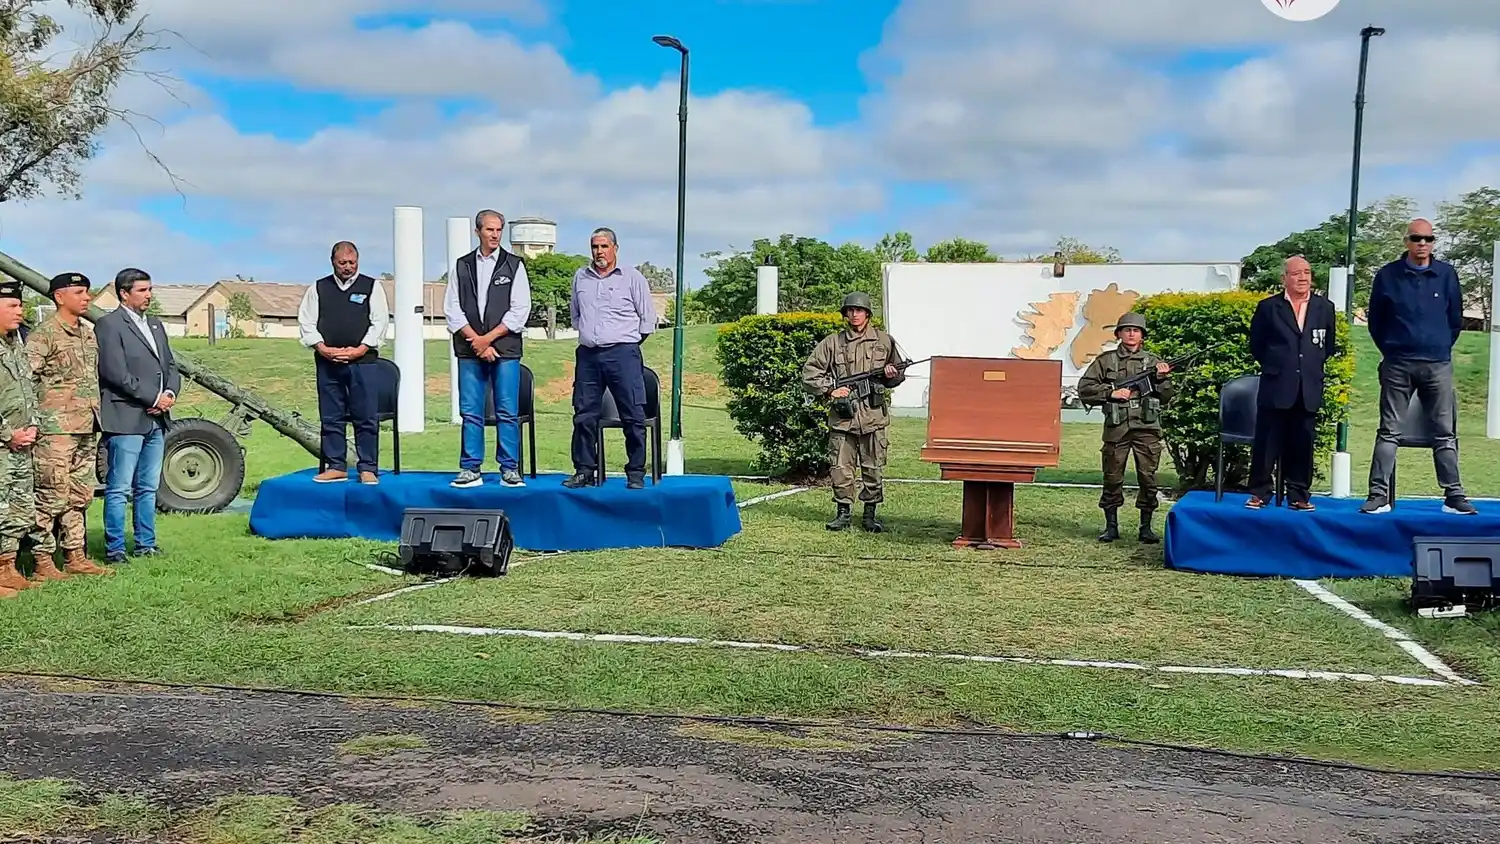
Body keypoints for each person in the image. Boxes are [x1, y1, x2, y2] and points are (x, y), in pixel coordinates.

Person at [1362, 218, 1475, 515]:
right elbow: (1376, 321)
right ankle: (1378, 495)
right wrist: (1393, 349)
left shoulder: (1447, 275)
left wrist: (1437, 347)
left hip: (1437, 363)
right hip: (1398, 363)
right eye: (1416, 238)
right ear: (1406, 241)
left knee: (1444, 432)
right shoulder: (1387, 276)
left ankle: (1454, 495)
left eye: (1428, 239)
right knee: (1389, 431)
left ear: (1433, 242)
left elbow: (1455, 320)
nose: (1422, 244)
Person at [25, 272, 111, 576]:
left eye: (87, 292)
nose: (86, 298)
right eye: (79, 292)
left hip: (87, 425)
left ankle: (75, 556)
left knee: (80, 494)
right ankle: (42, 561)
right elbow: (26, 381)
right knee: (50, 494)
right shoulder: (43, 335)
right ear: (60, 296)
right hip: (54, 430)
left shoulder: (88, 334)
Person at [96, 268, 182, 563]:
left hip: (156, 419)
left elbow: (170, 366)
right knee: (119, 487)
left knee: (148, 486)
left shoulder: (156, 324)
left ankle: (147, 543)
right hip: (125, 417)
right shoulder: (109, 325)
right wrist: (151, 397)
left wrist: (168, 395)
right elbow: (114, 372)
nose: (149, 295)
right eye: (142, 290)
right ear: (124, 293)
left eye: (150, 289)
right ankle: (115, 548)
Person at [800, 291, 906, 532]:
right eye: (850, 311)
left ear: (867, 314)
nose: (854, 314)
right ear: (845, 314)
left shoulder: (884, 341)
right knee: (840, 467)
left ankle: (870, 515)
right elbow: (810, 373)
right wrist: (829, 390)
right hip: (843, 417)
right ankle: (843, 513)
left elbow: (897, 374)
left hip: (873, 416)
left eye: (859, 310)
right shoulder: (832, 342)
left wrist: (893, 375)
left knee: (873, 467)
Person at [563, 227, 657, 490]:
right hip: (588, 356)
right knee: (583, 414)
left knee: (633, 415)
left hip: (623, 353)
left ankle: (636, 472)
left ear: (615, 248)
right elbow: (576, 315)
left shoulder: (632, 277)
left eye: (604, 246)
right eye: (594, 247)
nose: (599, 252)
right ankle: (584, 470)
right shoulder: (580, 277)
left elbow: (647, 320)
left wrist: (626, 344)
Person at [444, 210, 531, 489]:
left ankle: (509, 468)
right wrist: (476, 341)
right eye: (489, 230)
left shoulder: (514, 264)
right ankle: (470, 468)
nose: (494, 235)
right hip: (470, 351)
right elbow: (452, 310)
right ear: (477, 231)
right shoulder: (462, 266)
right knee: (471, 411)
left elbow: (520, 311)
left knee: (507, 410)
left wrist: (489, 339)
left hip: (505, 350)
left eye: (498, 230)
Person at [1245, 256, 1338, 511]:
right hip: (1276, 384)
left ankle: (1298, 494)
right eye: (1297, 273)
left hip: (1308, 386)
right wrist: (1279, 365)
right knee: (1267, 442)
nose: (1303, 278)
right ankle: (1260, 493)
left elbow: (1327, 346)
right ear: (1284, 278)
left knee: (1302, 443)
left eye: (1307, 272)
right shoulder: (1268, 307)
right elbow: (1257, 345)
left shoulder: (1324, 307)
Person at [297, 241, 389, 485]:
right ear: (333, 262)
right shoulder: (318, 288)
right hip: (328, 362)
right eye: (343, 263)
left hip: (364, 362)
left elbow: (379, 322)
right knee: (331, 416)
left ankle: (368, 467)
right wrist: (322, 348)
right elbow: (306, 322)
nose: (348, 267)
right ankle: (336, 465)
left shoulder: (372, 286)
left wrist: (359, 349)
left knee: (365, 416)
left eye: (352, 262)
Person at [1076, 312, 1173, 543]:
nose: (1131, 333)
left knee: (1147, 477)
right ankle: (1111, 526)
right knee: (1112, 476)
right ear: (1119, 334)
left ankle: (1146, 527)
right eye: (1127, 329)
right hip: (1117, 427)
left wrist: (1161, 379)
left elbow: (1168, 396)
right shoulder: (1105, 361)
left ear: (1142, 336)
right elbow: (1085, 388)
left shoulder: (1153, 361)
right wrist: (1110, 393)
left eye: (1136, 330)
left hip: (1146, 426)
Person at [0, 280, 58, 594]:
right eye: (12, 306)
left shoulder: (16, 344)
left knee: (18, 508)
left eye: (21, 306)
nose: (20, 312)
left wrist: (33, 425)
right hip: (4, 443)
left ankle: (7, 567)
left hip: (22, 442)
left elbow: (27, 391)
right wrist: (8, 435)